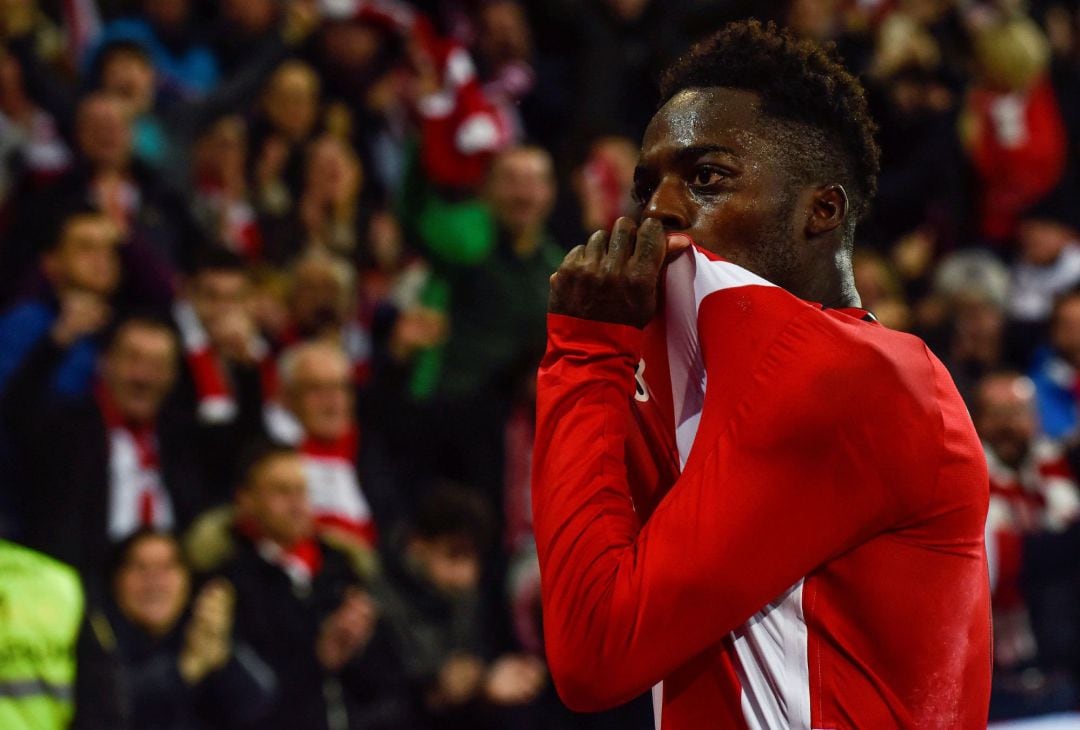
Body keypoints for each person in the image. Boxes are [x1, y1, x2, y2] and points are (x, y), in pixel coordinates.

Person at [533, 20, 991, 728]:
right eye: (646, 186)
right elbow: (589, 594)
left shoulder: (852, 376)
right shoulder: (709, 386)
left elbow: (595, 652)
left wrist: (586, 354)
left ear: (822, 210)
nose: (659, 211)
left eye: (707, 177)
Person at [213, 440, 407, 730]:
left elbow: (390, 683)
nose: (296, 503)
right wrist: (317, 659)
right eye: (281, 491)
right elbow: (242, 697)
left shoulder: (346, 569)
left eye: (302, 490)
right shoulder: (230, 584)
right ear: (246, 500)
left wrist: (362, 645)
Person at [0, 314, 202, 586]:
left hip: (164, 593)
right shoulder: (65, 428)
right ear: (104, 362)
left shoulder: (181, 441)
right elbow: (18, 408)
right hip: (82, 588)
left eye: (158, 365)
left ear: (173, 376)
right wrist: (56, 342)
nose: (143, 377)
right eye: (133, 359)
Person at [376, 483, 546, 730]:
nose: (467, 575)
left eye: (474, 559)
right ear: (417, 545)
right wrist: (438, 696)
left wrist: (484, 689)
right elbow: (378, 707)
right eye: (453, 555)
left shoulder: (468, 601)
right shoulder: (377, 604)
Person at [976, 372, 1080, 719]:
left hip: (1062, 657)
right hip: (995, 665)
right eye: (996, 414)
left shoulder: (1057, 466)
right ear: (979, 420)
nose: (1007, 425)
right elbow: (991, 561)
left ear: (1034, 418)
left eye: (1016, 413)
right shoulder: (967, 476)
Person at [96, 528, 276, 730]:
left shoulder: (200, 632)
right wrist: (185, 669)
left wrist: (223, 658)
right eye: (140, 567)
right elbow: (106, 705)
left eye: (166, 568)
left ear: (187, 579)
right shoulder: (96, 636)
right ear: (116, 580)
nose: (154, 581)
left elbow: (260, 703)